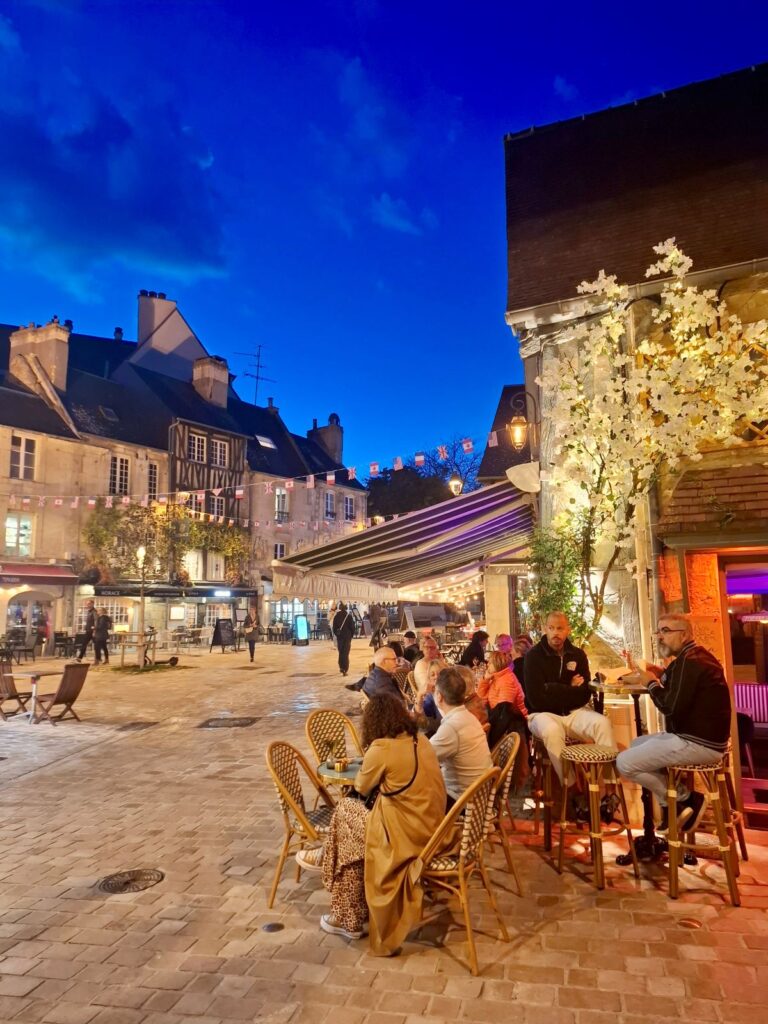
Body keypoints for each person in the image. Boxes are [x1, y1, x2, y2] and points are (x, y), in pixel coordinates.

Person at [297, 694, 448, 951]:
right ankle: (349, 913)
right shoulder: (420, 740)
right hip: (433, 826)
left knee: (346, 814)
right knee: (352, 831)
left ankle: (347, 914)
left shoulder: (381, 749)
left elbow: (361, 786)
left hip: (406, 834)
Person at [616, 614, 732, 832]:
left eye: (666, 631)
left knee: (624, 762)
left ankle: (686, 799)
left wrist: (650, 683)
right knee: (635, 745)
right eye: (658, 631)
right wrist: (659, 673)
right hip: (701, 738)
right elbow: (678, 682)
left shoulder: (690, 663)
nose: (660, 637)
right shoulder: (694, 656)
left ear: (685, 634)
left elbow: (670, 706)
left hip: (698, 743)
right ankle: (671, 806)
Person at [524, 612, 614, 789]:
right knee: (551, 730)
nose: (555, 633)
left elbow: (583, 694)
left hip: (572, 712)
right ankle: (571, 788)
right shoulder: (533, 656)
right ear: (545, 629)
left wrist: (551, 687)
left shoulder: (577, 655)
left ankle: (609, 788)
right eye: (551, 628)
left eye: (560, 628)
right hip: (541, 714)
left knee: (602, 723)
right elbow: (536, 698)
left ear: (568, 630)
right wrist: (568, 687)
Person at [430, 667, 493, 808]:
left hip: (462, 803)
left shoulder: (452, 727)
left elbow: (422, 758)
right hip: (479, 797)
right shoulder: (468, 717)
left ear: (439, 696)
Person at [478, 651, 528, 751]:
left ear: (497, 663)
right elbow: (481, 698)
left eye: (490, 662)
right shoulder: (496, 677)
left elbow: (504, 709)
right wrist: (485, 680)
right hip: (499, 717)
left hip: (513, 723)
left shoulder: (507, 680)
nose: (488, 664)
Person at [333, 602, 356, 677]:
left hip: (340, 637)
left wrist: (338, 634)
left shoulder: (336, 616)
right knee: (345, 653)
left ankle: (341, 666)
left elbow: (334, 628)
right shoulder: (348, 616)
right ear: (346, 608)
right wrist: (351, 636)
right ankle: (345, 669)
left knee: (341, 652)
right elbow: (352, 627)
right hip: (347, 637)